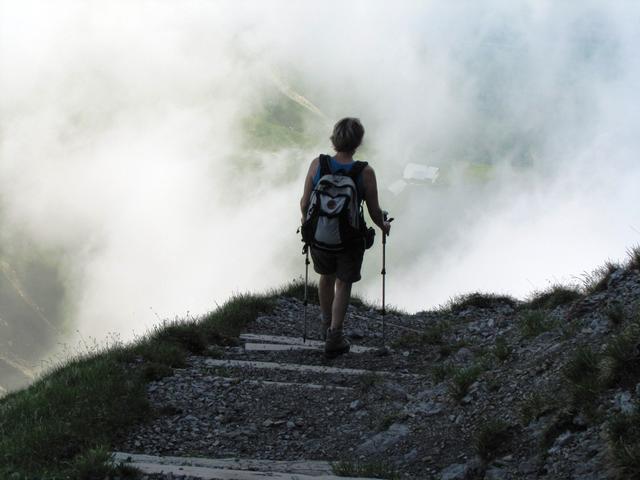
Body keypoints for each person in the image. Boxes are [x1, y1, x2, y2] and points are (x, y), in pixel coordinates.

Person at [300, 117, 391, 358]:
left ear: (334, 139)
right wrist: (383, 226)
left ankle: (325, 325)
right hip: (349, 240)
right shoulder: (365, 172)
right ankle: (335, 336)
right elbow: (374, 212)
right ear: (358, 142)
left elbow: (304, 203)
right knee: (343, 283)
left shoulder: (318, 165)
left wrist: (308, 225)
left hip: (319, 237)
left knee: (325, 278)